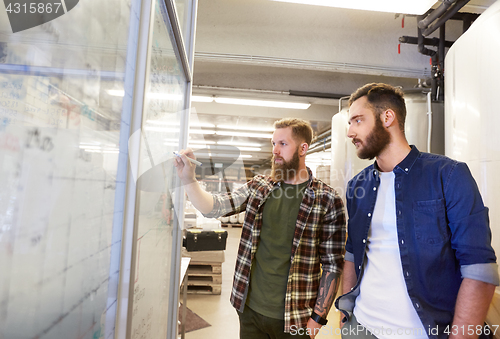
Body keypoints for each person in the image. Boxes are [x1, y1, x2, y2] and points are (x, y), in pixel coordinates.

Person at [335, 83, 499, 339]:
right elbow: (352, 252)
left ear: (387, 117)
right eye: (349, 123)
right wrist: (347, 318)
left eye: (357, 120)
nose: (350, 132)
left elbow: (479, 270)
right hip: (362, 328)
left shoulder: (449, 175)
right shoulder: (358, 185)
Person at [174, 118, 346, 338]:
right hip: (249, 310)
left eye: (283, 144)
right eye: (273, 143)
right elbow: (213, 208)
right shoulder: (259, 187)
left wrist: (317, 321)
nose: (275, 150)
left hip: (295, 317)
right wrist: (189, 179)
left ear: (303, 148)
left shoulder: (327, 199)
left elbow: (332, 265)